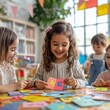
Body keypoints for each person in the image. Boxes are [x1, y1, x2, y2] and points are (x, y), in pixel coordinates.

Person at [31, 21, 86, 90]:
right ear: (49, 43)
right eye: (55, 44)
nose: (59, 48)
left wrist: (75, 82)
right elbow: (36, 78)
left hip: (67, 99)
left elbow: (83, 81)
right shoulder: (46, 59)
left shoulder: (72, 61)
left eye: (64, 45)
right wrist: (36, 82)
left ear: (70, 44)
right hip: (47, 99)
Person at [0, 27, 29, 93]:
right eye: (12, 49)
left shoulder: (10, 68)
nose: (16, 53)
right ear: (1, 49)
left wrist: (23, 84)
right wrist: (15, 86)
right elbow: (13, 86)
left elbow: (14, 84)